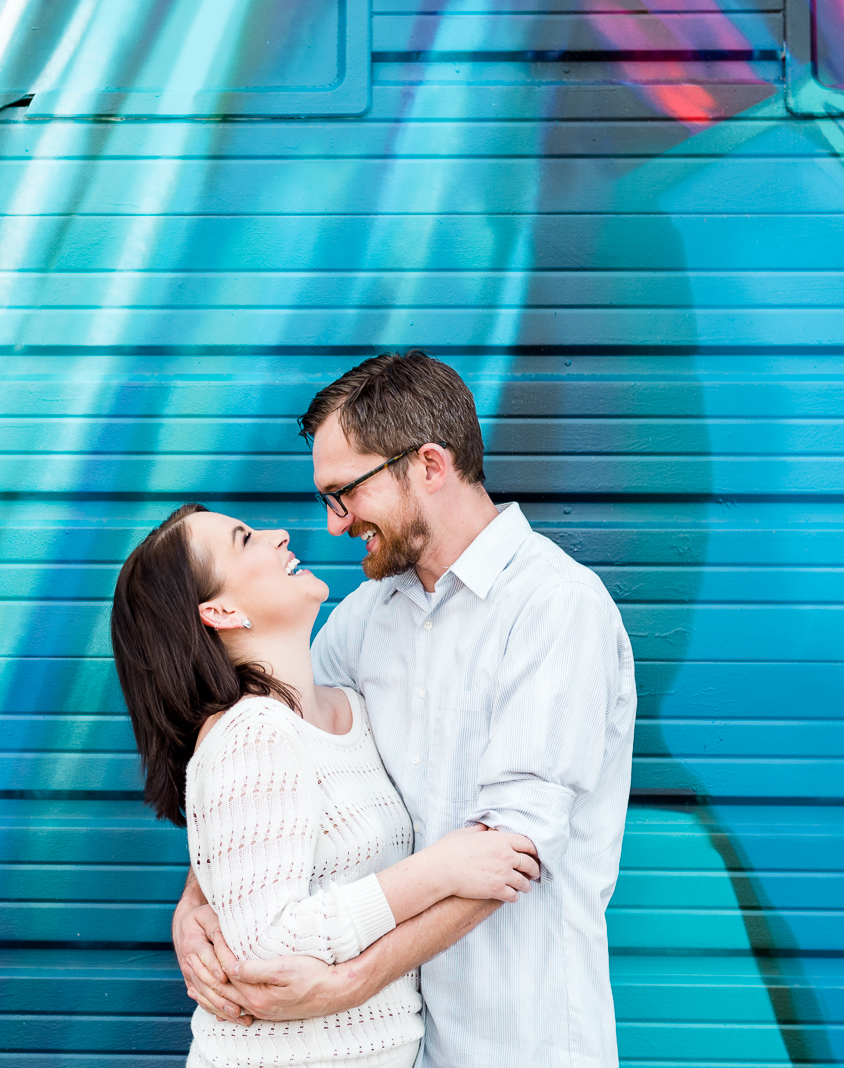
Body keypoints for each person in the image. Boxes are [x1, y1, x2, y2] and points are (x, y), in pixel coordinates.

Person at [173, 351, 637, 1068]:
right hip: (405, 1046)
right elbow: (266, 757)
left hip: (522, 1038)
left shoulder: (554, 609)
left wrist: (344, 984)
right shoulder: (365, 618)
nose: (333, 525)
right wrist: (197, 900)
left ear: (428, 465)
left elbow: (513, 853)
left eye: (344, 493)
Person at [112, 502, 542, 1068]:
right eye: (244, 540)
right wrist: (440, 871)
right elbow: (266, 949)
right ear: (219, 610)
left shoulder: (350, 708)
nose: (279, 534)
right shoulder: (252, 731)